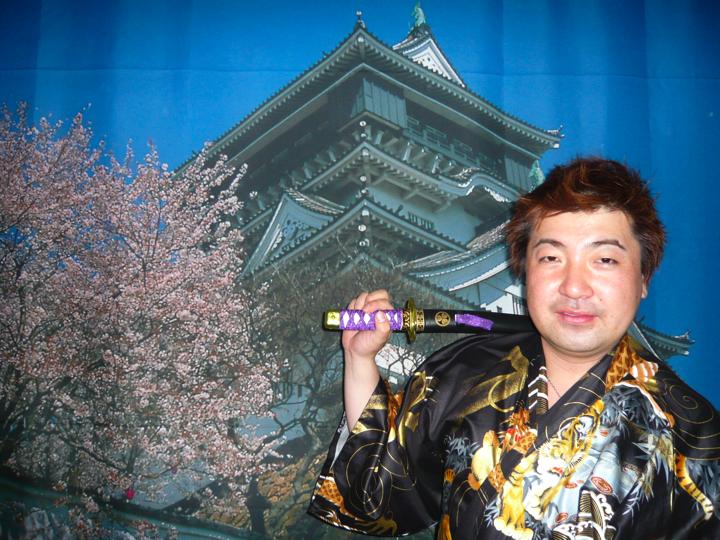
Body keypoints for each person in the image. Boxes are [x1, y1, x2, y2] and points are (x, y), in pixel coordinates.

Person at [307, 157, 720, 539]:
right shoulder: (465, 372)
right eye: (551, 258)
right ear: (524, 271)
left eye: (604, 260)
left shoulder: (694, 436)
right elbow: (381, 489)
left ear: (644, 277)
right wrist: (359, 358)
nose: (574, 287)